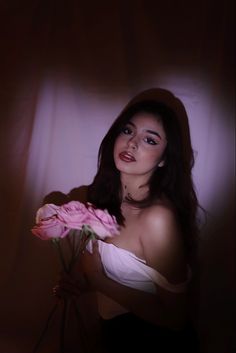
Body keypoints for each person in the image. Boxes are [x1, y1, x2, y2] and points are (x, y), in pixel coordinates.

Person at [54, 91, 201, 353]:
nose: (132, 143)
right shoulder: (100, 197)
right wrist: (80, 285)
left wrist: (97, 280)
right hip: (112, 336)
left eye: (149, 139)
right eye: (127, 130)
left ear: (165, 158)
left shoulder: (158, 219)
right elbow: (121, 282)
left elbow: (176, 319)